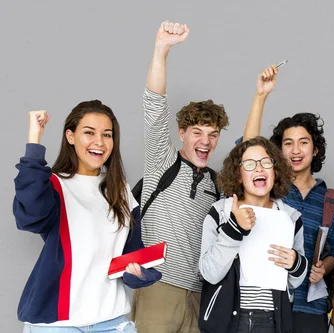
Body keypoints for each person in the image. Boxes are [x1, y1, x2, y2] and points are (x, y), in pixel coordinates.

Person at [13, 105, 161, 332]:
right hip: (59, 324)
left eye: (107, 135)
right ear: (70, 136)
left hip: (113, 321)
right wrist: (35, 140)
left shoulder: (120, 190)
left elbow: (131, 253)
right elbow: (29, 216)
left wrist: (139, 273)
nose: (99, 142)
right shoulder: (55, 185)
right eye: (89, 132)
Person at [132, 21, 230, 333]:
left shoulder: (218, 183)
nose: (205, 141)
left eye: (212, 134)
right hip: (157, 287)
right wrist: (161, 49)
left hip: (200, 294)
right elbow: (154, 106)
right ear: (181, 134)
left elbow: (251, 161)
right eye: (197, 132)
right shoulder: (162, 160)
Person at [242, 65, 334, 333]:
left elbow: (332, 250)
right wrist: (260, 96)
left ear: (315, 149)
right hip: (267, 302)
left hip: (311, 307)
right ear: (279, 149)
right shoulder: (268, 188)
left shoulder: (329, 198)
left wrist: (325, 267)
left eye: (303, 142)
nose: (295, 150)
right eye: (288, 143)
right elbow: (247, 151)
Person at [199, 137, 308, 333]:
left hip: (271, 321)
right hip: (226, 321)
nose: (259, 169)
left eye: (266, 162)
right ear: (239, 175)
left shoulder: (290, 218)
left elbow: (295, 281)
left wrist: (295, 263)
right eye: (249, 164)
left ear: (275, 171)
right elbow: (209, 273)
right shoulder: (220, 213)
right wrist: (233, 229)